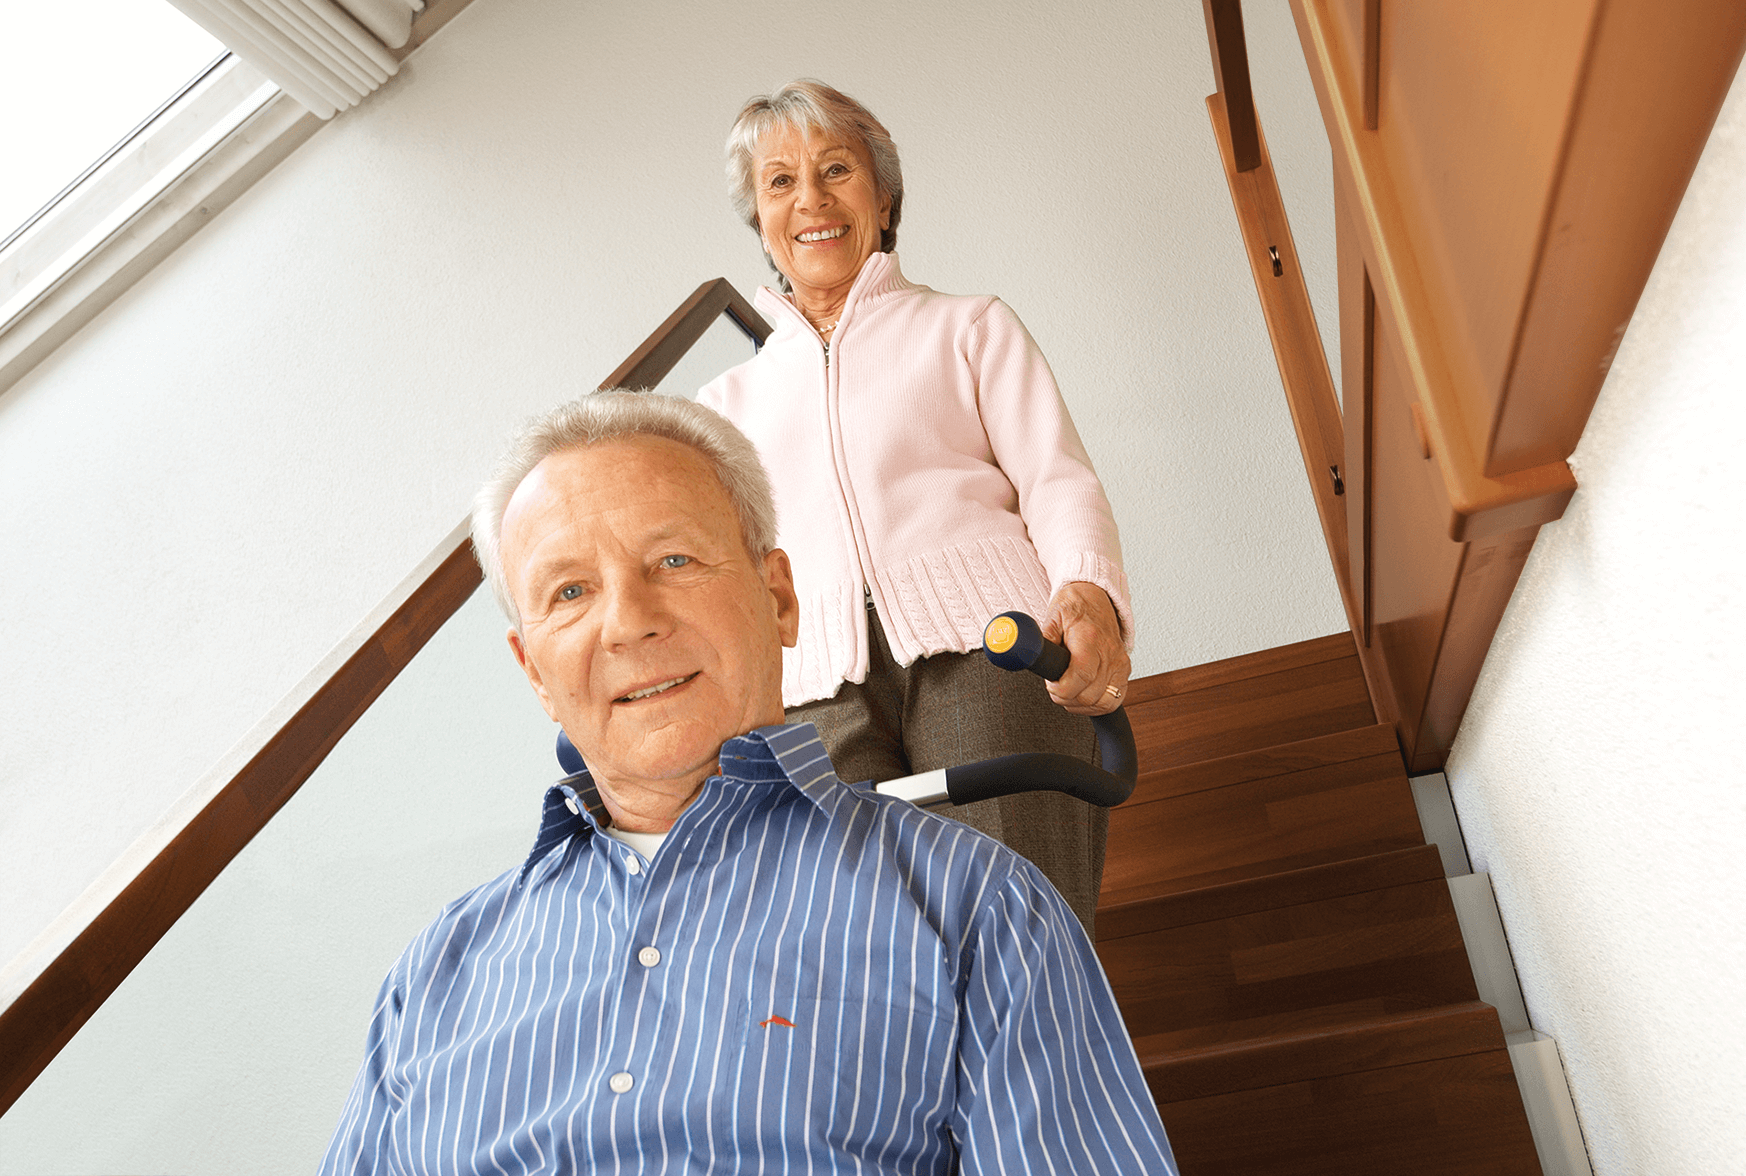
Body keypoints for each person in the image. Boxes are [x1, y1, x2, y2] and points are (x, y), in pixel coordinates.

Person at [316, 390, 1177, 1175]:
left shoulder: (981, 910)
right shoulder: (433, 975)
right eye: (571, 590)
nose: (629, 621)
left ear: (779, 597)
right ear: (533, 672)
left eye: (675, 561)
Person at [698, 80, 1132, 934]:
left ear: (884, 197)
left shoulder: (969, 328)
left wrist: (1088, 598)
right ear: (758, 218)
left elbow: (1057, 478)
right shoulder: (724, 403)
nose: (811, 200)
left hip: (989, 649)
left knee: (1018, 924)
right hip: (813, 686)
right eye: (780, 182)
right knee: (863, 954)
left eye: (836, 170)